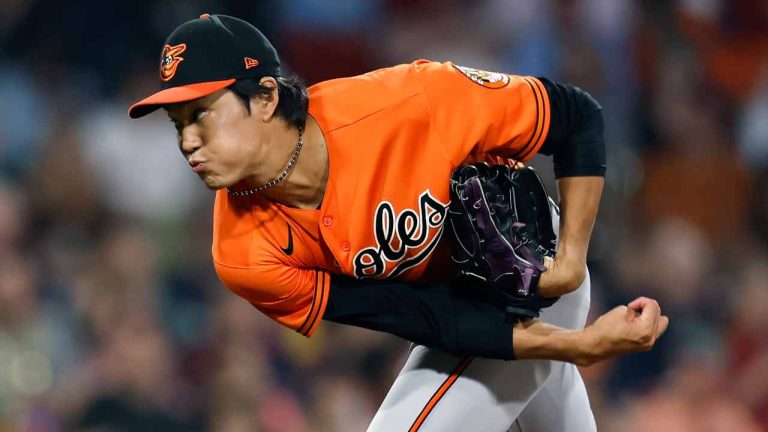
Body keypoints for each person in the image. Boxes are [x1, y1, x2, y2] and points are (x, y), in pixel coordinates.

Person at [129, 14, 669, 432]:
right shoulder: (243, 252)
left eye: (201, 113)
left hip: (532, 276)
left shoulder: (411, 103)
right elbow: (420, 319)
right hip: (460, 316)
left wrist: (570, 264)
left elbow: (576, 116)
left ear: (266, 96)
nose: (187, 141)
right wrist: (573, 346)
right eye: (178, 123)